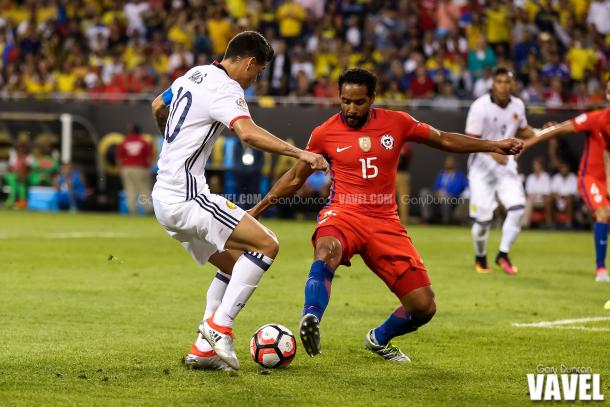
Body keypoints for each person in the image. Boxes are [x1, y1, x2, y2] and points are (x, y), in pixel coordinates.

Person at [248, 68, 523, 361]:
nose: (351, 109)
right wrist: (257, 211)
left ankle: (378, 338)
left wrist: (494, 144)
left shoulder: (397, 122)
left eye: (359, 102)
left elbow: (443, 139)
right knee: (326, 251)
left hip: (385, 222)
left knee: (423, 306)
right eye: (345, 101)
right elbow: (293, 178)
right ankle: (311, 317)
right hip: (343, 213)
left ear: (373, 99)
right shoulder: (324, 133)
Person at [150, 31, 328, 371]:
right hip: (188, 197)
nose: (254, 80)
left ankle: (202, 350)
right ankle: (220, 327)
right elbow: (247, 132)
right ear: (248, 62)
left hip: (163, 197)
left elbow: (159, 104)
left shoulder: (193, 74)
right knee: (267, 244)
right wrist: (299, 152)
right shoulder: (225, 86)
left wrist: (173, 146)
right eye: (257, 72)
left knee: (235, 266)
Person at [521, 79, 610, 282]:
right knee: (603, 213)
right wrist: (528, 143)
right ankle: (601, 269)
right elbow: (561, 129)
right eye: (609, 91)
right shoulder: (596, 118)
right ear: (606, 95)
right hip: (592, 178)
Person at [466, 67, 539, 275]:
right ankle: (480, 256)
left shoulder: (518, 105)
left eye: (508, 82)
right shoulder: (479, 107)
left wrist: (541, 131)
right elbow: (471, 139)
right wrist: (493, 150)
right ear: (492, 84)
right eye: (499, 81)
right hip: (481, 169)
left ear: (513, 85)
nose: (504, 86)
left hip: (506, 167)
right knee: (483, 221)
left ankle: (503, 254)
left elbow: (523, 130)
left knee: (517, 208)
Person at [419, 155, 469, 224]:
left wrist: (446, 192)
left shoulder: (459, 176)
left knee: (446, 198)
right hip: (438, 194)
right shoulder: (441, 174)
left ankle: (446, 221)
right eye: (447, 161)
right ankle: (427, 218)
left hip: (452, 196)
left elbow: (460, 189)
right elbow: (435, 186)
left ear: (455, 163)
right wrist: (438, 192)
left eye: (450, 161)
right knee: (424, 192)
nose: (448, 163)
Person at [116, 123, 154, 214]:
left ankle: (132, 210)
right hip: (141, 168)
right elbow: (149, 158)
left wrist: (120, 169)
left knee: (130, 190)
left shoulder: (125, 142)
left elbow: (119, 158)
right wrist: (150, 169)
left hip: (127, 168)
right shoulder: (144, 142)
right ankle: (148, 209)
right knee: (144, 189)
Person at [522, 157, 552, 228]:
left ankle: (549, 222)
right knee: (528, 201)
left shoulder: (546, 177)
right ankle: (524, 225)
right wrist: (536, 195)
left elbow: (546, 193)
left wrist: (536, 195)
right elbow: (528, 193)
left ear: (541, 166)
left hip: (543, 201)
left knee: (547, 199)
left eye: (537, 165)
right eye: (534, 165)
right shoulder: (530, 177)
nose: (535, 166)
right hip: (533, 200)